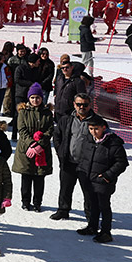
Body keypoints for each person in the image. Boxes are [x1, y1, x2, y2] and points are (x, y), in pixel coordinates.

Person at [76, 115, 127, 243]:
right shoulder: (88, 140)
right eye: (91, 128)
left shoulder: (113, 142)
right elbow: (83, 157)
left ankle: (106, 232)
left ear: (104, 127)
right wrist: (81, 171)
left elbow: (121, 163)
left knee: (104, 206)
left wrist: (107, 175)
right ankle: (92, 227)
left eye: (96, 129)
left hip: (103, 181)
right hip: (88, 178)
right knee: (92, 205)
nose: (93, 132)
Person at [51, 93, 95, 221]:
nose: (82, 107)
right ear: (74, 104)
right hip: (68, 161)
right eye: (79, 104)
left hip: (86, 164)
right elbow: (57, 135)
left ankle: (90, 214)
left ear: (90, 105)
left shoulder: (96, 121)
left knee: (88, 191)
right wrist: (60, 151)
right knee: (65, 188)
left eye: (85, 105)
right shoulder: (66, 119)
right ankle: (63, 210)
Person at [12, 83, 53, 212]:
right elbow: (22, 130)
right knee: (27, 176)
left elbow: (50, 130)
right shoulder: (23, 112)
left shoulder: (47, 113)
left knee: (39, 177)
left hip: (42, 150)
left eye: (38, 98)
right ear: (29, 98)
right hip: (26, 149)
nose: (35, 100)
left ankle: (37, 202)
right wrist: (32, 144)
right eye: (33, 98)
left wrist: (40, 145)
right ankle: (25, 201)